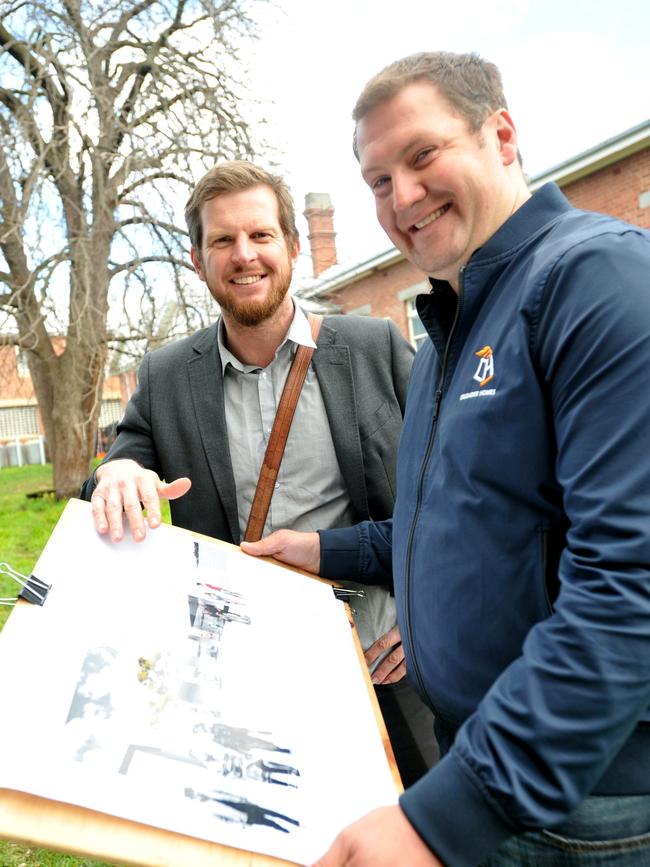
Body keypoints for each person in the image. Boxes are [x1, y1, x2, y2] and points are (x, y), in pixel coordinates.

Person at [241, 52, 650, 866]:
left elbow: (630, 586)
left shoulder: (595, 279)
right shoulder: (445, 331)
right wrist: (320, 550)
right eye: (378, 181)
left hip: (583, 806)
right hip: (489, 771)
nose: (403, 197)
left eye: (423, 156)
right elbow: (457, 523)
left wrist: (448, 815)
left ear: (501, 135)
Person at [80, 160, 438, 787]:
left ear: (294, 248)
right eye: (222, 240)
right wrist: (117, 476)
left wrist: (430, 614)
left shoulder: (376, 347)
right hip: (241, 676)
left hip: (383, 661)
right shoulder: (166, 376)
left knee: (412, 836)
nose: (244, 255)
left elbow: (453, 495)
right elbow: (123, 459)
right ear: (198, 260)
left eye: (261, 236)